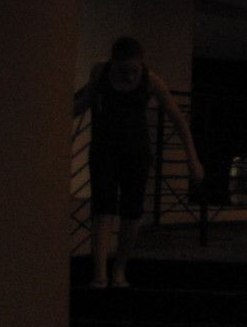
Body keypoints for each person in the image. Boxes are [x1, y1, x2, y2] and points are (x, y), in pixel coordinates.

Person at [72, 36, 203, 286]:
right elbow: (85, 102)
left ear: (141, 64)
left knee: (132, 213)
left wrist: (193, 160)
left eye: (134, 70)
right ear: (113, 63)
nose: (130, 77)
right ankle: (99, 273)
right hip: (104, 152)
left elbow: (178, 119)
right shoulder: (100, 75)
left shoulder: (150, 81)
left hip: (136, 154)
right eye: (124, 71)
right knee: (102, 210)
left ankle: (119, 269)